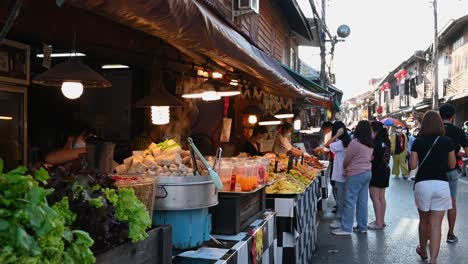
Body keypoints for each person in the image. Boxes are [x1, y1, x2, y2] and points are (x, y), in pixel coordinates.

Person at [410, 110, 456, 264]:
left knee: (424, 221)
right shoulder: (447, 141)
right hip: (441, 184)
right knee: (436, 224)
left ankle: (423, 250)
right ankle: (434, 260)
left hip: (422, 184)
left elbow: (413, 165)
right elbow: (452, 165)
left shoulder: (418, 141)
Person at [332, 120, 374, 236]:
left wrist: (345, 168)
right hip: (367, 173)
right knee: (362, 201)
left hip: (355, 174)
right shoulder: (370, 144)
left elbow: (347, 160)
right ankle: (362, 227)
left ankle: (346, 228)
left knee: (350, 200)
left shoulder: (355, 143)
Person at [439, 103, 468, 243]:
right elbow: (467, 152)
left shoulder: (433, 130)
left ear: (440, 115)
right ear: (452, 117)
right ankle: (450, 234)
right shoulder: (458, 131)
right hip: (451, 170)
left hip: (434, 170)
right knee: (452, 202)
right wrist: (458, 154)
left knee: (434, 203)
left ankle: (430, 234)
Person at [327, 121, 352, 229]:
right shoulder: (346, 142)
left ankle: (340, 221)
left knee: (341, 199)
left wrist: (337, 135)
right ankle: (344, 220)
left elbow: (326, 144)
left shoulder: (340, 143)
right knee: (344, 198)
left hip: (340, 174)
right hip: (345, 173)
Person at [368, 121, 391, 230]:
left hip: (376, 170)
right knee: (381, 197)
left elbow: (370, 157)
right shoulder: (387, 141)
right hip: (385, 170)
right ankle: (381, 220)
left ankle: (378, 222)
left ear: (374, 130)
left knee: (374, 197)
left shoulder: (375, 142)